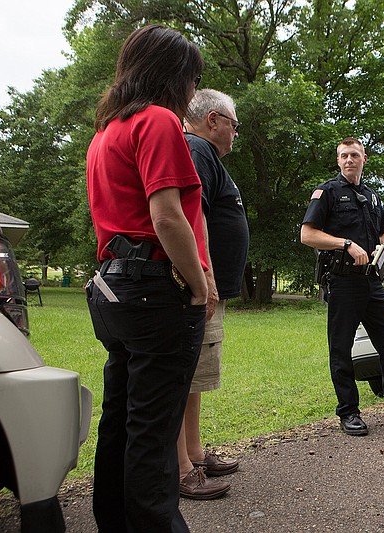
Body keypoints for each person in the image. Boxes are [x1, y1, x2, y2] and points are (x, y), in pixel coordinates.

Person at [85, 25, 208, 532]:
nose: (193, 92)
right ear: (174, 75)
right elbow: (166, 216)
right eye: (192, 79)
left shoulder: (104, 133)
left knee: (120, 420)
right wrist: (198, 283)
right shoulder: (157, 121)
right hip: (156, 293)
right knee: (154, 433)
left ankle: (113, 521)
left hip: (113, 289)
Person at [300, 137, 384, 436]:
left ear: (364, 158)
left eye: (354, 155)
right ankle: (348, 412)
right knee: (341, 350)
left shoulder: (371, 196)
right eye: (344, 156)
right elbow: (307, 234)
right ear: (338, 160)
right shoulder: (327, 193)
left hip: (372, 282)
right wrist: (345, 244)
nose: (349, 160)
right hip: (343, 283)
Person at [176, 89, 249, 499]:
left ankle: (195, 451)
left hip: (206, 287)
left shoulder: (202, 152)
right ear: (215, 120)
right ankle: (181, 467)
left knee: (196, 376)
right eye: (235, 125)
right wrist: (207, 277)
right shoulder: (198, 149)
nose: (236, 133)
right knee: (183, 374)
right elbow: (194, 212)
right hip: (201, 287)